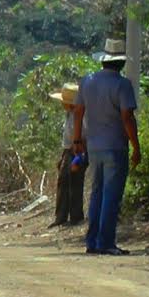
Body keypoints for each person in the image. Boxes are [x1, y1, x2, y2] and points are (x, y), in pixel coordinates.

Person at [72, 38, 141, 255]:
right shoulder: (122, 85)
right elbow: (127, 117)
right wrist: (136, 146)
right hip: (116, 146)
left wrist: (76, 140)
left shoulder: (87, 81)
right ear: (120, 63)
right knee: (111, 195)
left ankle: (92, 241)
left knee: (97, 194)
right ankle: (106, 242)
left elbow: (78, 111)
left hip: (93, 146)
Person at [50, 83, 84, 228]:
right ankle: (61, 216)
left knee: (75, 183)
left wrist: (78, 158)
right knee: (63, 182)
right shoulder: (69, 114)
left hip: (78, 151)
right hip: (68, 151)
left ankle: (75, 216)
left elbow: (83, 137)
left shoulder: (81, 115)